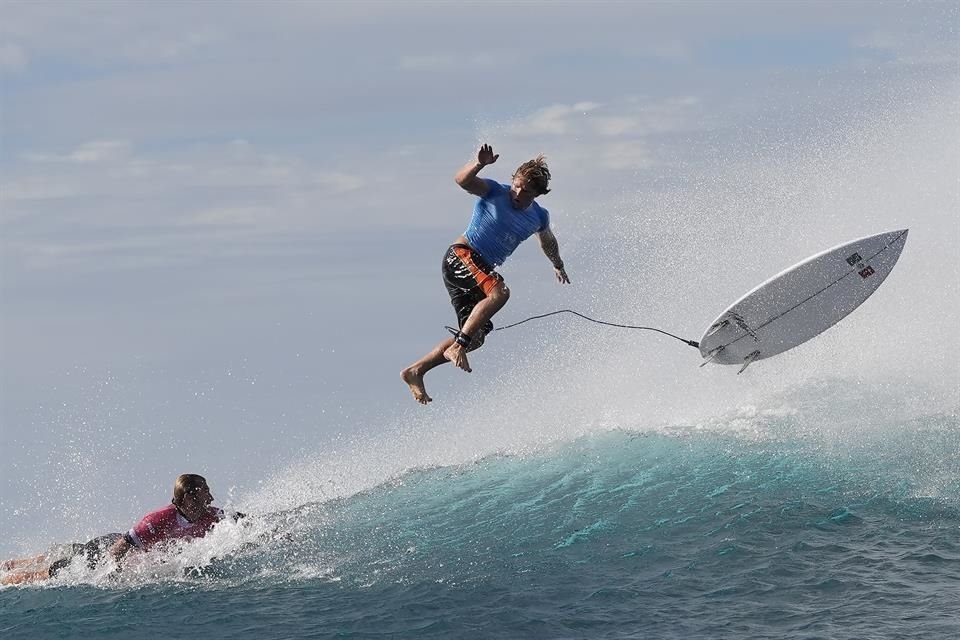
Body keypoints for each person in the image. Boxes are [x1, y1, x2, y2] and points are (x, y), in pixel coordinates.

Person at [401, 144, 570, 404]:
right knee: (499, 292)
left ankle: (416, 371)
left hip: (479, 270)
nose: (517, 192)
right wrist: (478, 164)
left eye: (525, 191)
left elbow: (548, 241)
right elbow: (462, 181)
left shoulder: (539, 216)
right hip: (461, 256)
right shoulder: (494, 192)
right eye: (516, 185)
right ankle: (457, 346)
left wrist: (557, 264)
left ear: (537, 194)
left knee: (476, 336)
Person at [110, 473, 241, 563]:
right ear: (189, 498)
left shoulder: (211, 515)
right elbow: (118, 550)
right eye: (205, 493)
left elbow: (246, 522)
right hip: (106, 544)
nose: (211, 499)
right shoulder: (158, 520)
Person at [0, 533, 122, 586]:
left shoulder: (134, 536)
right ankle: (4, 580)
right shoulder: (132, 543)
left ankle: (9, 565)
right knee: (38, 575)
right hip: (86, 558)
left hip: (89, 547)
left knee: (44, 558)